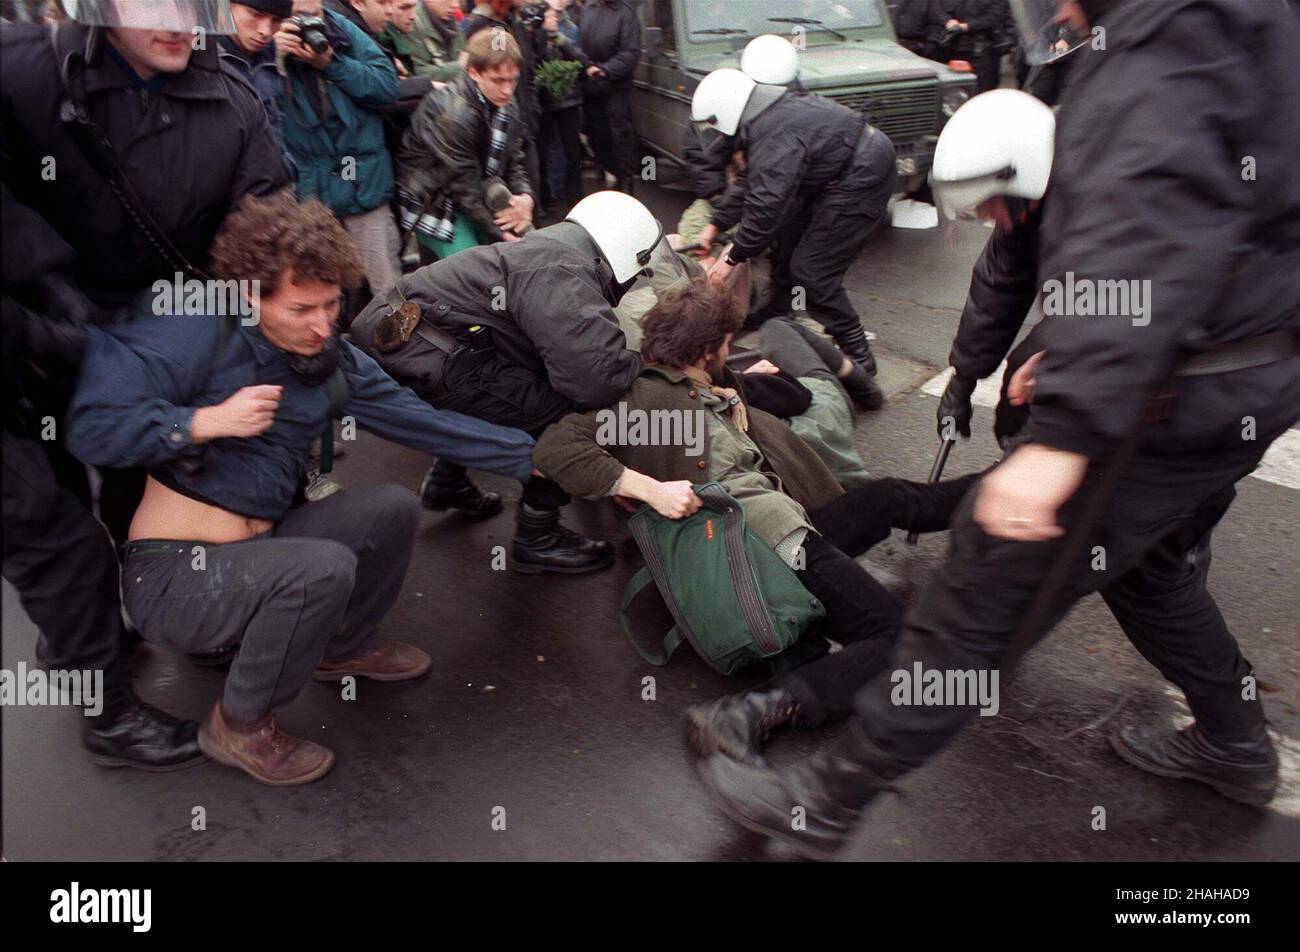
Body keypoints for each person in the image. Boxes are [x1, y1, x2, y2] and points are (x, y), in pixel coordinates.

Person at [697, 0, 1300, 860]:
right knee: (1150, 576)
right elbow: (1018, 275)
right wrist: (976, 376)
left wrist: (1070, 421)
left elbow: (1156, 220)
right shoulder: (1162, 48)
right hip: (1227, 372)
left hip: (1177, 393)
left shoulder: (1169, 33)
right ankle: (1235, 741)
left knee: (985, 589)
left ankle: (826, 799)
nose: (1052, 9)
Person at [63, 193, 538, 786]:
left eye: (333, 303)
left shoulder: (325, 355)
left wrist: (538, 462)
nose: (324, 325)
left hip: (260, 548)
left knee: (390, 506)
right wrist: (203, 422)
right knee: (321, 567)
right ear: (246, 296)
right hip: (172, 580)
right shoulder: (189, 329)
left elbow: (427, 423)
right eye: (302, 308)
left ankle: (341, 647)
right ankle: (237, 725)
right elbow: (90, 428)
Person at [1, 0, 291, 771]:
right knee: (57, 537)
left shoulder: (231, 104)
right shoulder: (23, 75)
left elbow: (272, 225)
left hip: (148, 346)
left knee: (149, 485)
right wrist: (48, 307)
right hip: (29, 356)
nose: (175, 20)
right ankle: (100, 685)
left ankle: (181, 619)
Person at [533, 279, 977, 761]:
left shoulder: (708, 382)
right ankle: (747, 712)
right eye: (727, 342)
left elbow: (791, 398)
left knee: (887, 496)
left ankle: (994, 494)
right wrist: (647, 489)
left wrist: (749, 380)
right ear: (705, 351)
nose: (732, 349)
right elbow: (556, 449)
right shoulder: (648, 403)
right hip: (764, 540)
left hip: (784, 519)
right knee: (895, 640)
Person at [349, 190, 653, 574]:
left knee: (509, 388)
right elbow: (593, 381)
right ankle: (538, 536)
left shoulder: (545, 250)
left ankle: (447, 479)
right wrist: (642, 364)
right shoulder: (561, 271)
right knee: (566, 414)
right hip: (429, 352)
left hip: (407, 336)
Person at [278, 0, 402, 299]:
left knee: (389, 289)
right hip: (309, 193)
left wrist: (332, 64)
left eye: (311, 16)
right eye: (297, 17)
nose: (305, 24)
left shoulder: (343, 30)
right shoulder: (269, 35)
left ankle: (403, 343)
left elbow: (387, 87)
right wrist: (275, 60)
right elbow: (254, 101)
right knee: (313, 291)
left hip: (364, 188)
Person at [395, 28, 534, 261]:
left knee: (521, 250)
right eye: (498, 80)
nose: (508, 90)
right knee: (475, 270)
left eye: (513, 80)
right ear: (474, 73)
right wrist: (500, 232)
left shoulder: (506, 104)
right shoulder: (453, 113)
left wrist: (526, 199)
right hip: (433, 202)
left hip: (475, 191)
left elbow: (513, 161)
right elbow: (464, 187)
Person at [219, 1, 294, 162]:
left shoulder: (273, 62)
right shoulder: (196, 59)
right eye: (256, 14)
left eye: (277, 20)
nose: (266, 31)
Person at [578, 0, 639, 195]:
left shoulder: (625, 13)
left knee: (619, 136)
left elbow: (630, 53)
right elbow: (579, 43)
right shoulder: (588, 9)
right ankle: (608, 170)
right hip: (591, 86)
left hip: (615, 87)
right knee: (596, 136)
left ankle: (626, 181)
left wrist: (605, 70)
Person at [536, 0, 588, 210]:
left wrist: (559, 39)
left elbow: (580, 59)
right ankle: (546, 197)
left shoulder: (570, 28)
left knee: (572, 151)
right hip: (544, 101)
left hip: (568, 100)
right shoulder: (534, 28)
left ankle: (575, 198)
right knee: (543, 151)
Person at [393, 0, 465, 81]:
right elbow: (414, 72)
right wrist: (458, 67)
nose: (456, 5)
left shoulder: (454, 24)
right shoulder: (411, 24)